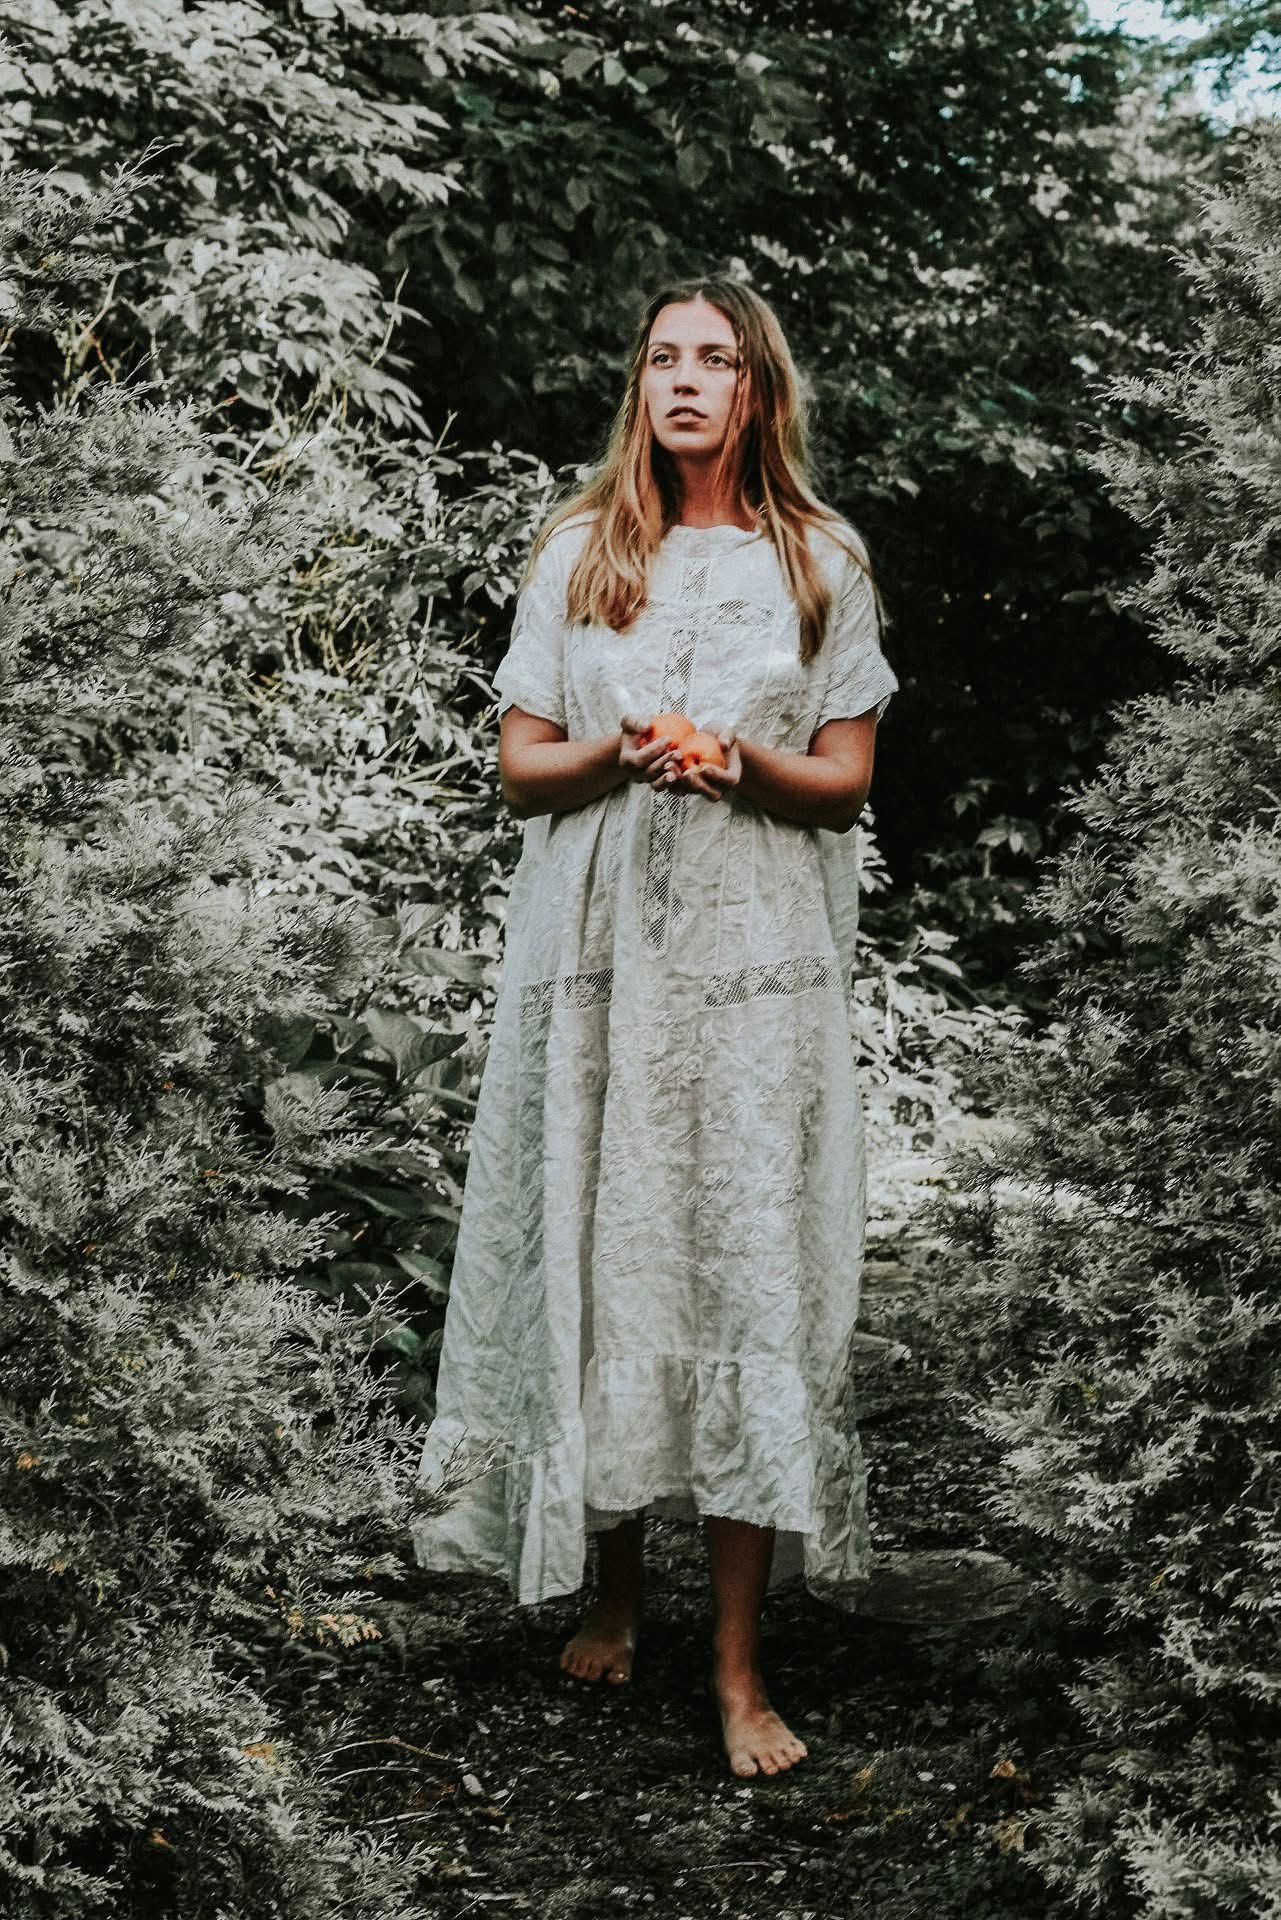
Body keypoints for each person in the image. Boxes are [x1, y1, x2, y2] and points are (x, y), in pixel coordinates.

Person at [412, 275, 899, 1779]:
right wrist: (624, 753)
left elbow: (844, 782)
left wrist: (737, 760)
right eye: (662, 361)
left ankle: (739, 1666)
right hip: (597, 961)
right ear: (639, 388)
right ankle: (617, 1591)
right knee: (603, 1246)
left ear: (758, 391)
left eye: (716, 361)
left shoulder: (820, 558)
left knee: (737, 1261)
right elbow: (519, 768)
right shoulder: (578, 552)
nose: (684, 381)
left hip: (753, 970)